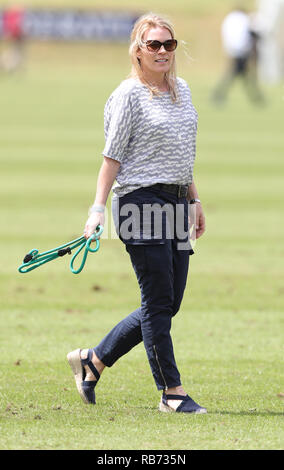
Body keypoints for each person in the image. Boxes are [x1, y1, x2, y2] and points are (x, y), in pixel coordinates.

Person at [67, 13, 207, 414]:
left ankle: (93, 360)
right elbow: (111, 159)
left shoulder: (183, 91)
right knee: (158, 300)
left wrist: (194, 200)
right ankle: (171, 392)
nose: (162, 51)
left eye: (169, 44)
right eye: (154, 45)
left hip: (178, 202)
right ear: (138, 50)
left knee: (168, 303)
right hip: (139, 203)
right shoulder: (128, 95)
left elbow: (182, 154)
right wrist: (96, 210)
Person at [212, 7, 264, 104]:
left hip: (233, 51)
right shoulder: (243, 19)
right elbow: (251, 34)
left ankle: (256, 98)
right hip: (241, 53)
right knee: (236, 75)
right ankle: (218, 95)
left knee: (240, 76)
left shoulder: (230, 19)